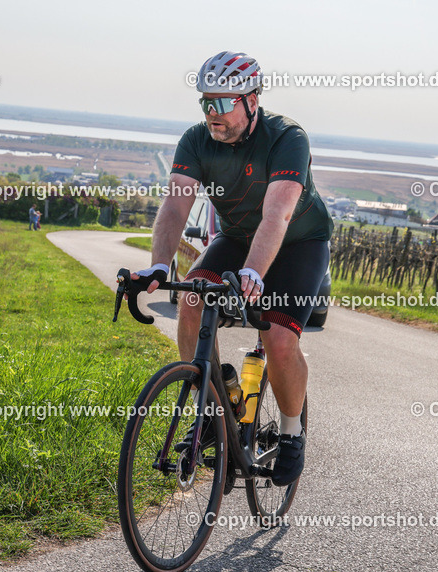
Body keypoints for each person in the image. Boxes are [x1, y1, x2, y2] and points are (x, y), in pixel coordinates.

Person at [130, 51, 333, 486]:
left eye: (222, 103)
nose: (211, 113)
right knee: (189, 300)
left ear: (252, 102)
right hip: (238, 237)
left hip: (299, 243)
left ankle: (292, 433)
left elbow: (277, 214)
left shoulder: (286, 138)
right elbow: (175, 205)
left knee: (277, 339)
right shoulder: (196, 140)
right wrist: (160, 266)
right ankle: (212, 410)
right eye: (205, 102)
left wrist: (254, 275)